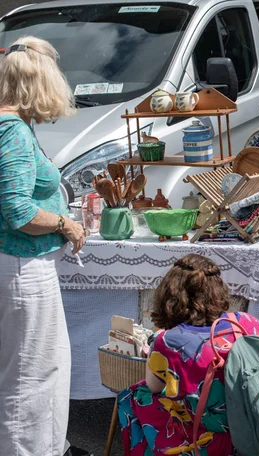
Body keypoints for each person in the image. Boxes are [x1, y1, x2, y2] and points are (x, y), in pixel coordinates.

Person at [0, 36, 86, 455]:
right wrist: (66, 224)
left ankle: (49, 447)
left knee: (34, 371)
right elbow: (18, 211)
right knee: (30, 377)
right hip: (22, 268)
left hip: (19, 266)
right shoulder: (12, 130)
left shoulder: (13, 126)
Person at [118, 254, 259, 455]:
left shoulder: (169, 341)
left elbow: (154, 386)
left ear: (170, 295)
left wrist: (155, 342)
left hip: (209, 434)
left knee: (134, 395)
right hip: (257, 423)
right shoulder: (243, 321)